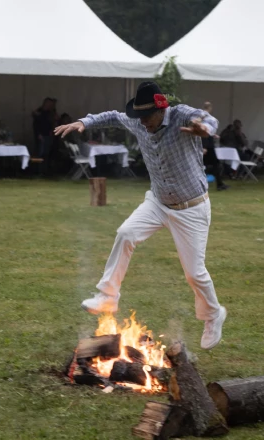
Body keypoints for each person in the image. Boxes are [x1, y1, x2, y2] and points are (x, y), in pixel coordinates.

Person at [54, 81, 227, 350]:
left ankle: (213, 315)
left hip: (191, 208)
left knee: (194, 273)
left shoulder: (181, 114)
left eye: (147, 117)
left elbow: (209, 119)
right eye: (139, 117)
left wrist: (204, 129)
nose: (142, 123)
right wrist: (84, 122)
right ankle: (107, 296)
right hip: (158, 202)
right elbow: (112, 116)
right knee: (125, 233)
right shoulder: (138, 122)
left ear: (161, 110)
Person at [201, 102, 229, 191]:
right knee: (215, 164)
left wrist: (213, 135)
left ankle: (219, 184)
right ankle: (219, 184)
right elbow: (205, 132)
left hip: (204, 144)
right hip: (207, 146)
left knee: (205, 165)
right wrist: (204, 146)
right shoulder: (210, 118)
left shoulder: (199, 116)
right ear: (210, 108)